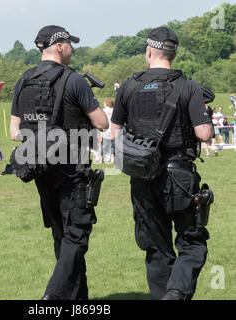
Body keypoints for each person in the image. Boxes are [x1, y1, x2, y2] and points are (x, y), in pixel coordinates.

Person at [111, 27, 213, 300]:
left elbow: (113, 135)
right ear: (175, 54)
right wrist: (208, 118)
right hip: (179, 176)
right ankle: (176, 293)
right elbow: (204, 133)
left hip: (142, 179)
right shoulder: (188, 87)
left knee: (156, 248)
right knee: (191, 242)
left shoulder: (129, 87)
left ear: (148, 51)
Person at [10, 25, 109, 300]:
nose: (73, 49)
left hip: (39, 168)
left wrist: (43, 136)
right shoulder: (74, 80)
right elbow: (102, 123)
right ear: (60, 46)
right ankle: (52, 298)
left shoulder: (24, 80)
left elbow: (13, 131)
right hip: (72, 169)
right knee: (76, 236)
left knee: (61, 236)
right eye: (70, 44)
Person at [101, 98, 115, 162]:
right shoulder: (114, 111)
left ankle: (101, 159)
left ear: (106, 103)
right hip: (112, 131)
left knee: (103, 146)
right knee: (112, 145)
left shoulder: (102, 111)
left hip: (105, 131)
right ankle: (112, 158)